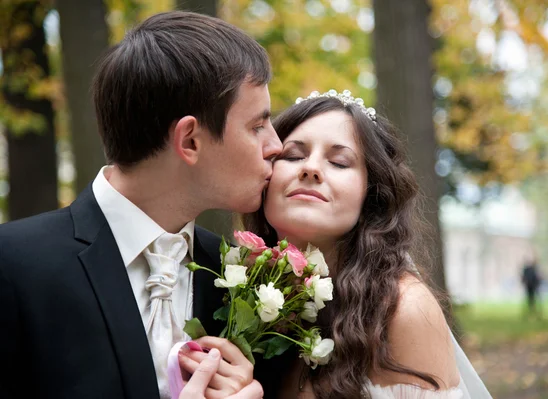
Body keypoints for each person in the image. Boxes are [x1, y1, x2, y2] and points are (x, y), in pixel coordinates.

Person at [0, 11, 282, 399]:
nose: (276, 146)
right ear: (190, 141)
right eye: (257, 126)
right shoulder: (13, 266)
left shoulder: (236, 275)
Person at [238, 90, 492, 398]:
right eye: (293, 156)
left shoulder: (400, 311)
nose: (311, 168)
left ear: (370, 196)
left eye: (339, 162)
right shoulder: (243, 296)